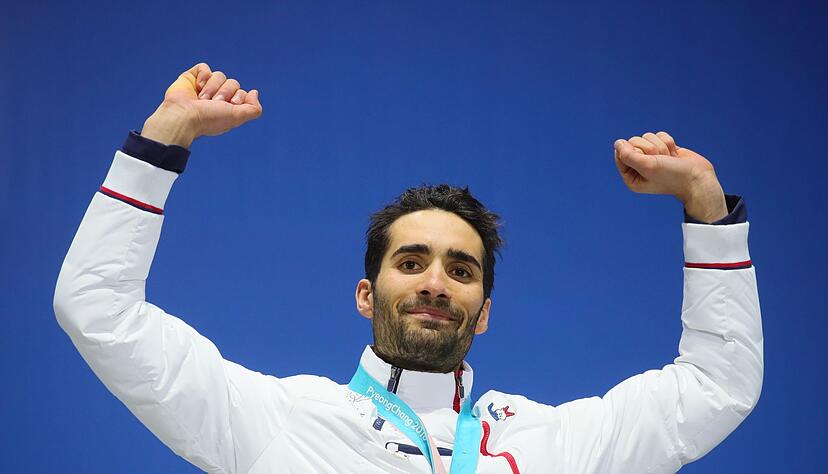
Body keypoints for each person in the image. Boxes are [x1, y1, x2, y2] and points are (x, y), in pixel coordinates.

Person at [54, 63, 763, 474]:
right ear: (367, 293)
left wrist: (704, 203)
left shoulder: (554, 444)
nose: (433, 282)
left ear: (484, 310)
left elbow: (716, 386)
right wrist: (162, 142)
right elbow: (99, 311)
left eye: (461, 270)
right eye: (412, 261)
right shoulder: (276, 422)